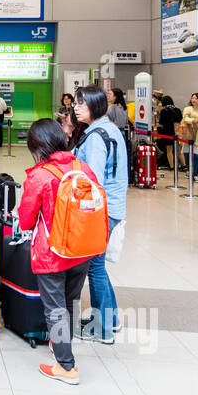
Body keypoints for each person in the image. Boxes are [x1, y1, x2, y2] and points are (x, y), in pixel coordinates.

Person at [17, 118, 104, 385]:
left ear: (37, 147)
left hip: (52, 252)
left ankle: (66, 366)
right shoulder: (83, 168)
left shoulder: (40, 175)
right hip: (82, 248)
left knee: (54, 307)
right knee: (69, 301)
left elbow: (26, 219)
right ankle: (60, 344)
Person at [71, 84, 126, 344]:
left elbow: (90, 181)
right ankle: (111, 319)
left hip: (101, 210)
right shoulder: (109, 129)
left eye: (81, 103)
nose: (75, 107)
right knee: (98, 264)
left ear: (94, 105)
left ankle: (101, 328)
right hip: (113, 206)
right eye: (75, 103)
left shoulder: (95, 137)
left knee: (94, 266)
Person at [180, 92, 198, 179]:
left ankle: (195, 174)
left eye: (196, 98)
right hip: (188, 134)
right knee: (187, 155)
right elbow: (185, 119)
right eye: (192, 98)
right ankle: (189, 171)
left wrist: (194, 116)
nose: (194, 100)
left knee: (197, 156)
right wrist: (194, 120)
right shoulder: (187, 108)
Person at [156, 94, 182, 169]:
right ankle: (183, 165)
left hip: (168, 132)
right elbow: (180, 119)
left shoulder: (164, 110)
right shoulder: (177, 109)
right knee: (179, 150)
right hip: (177, 132)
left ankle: (172, 166)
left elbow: (161, 122)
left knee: (169, 151)